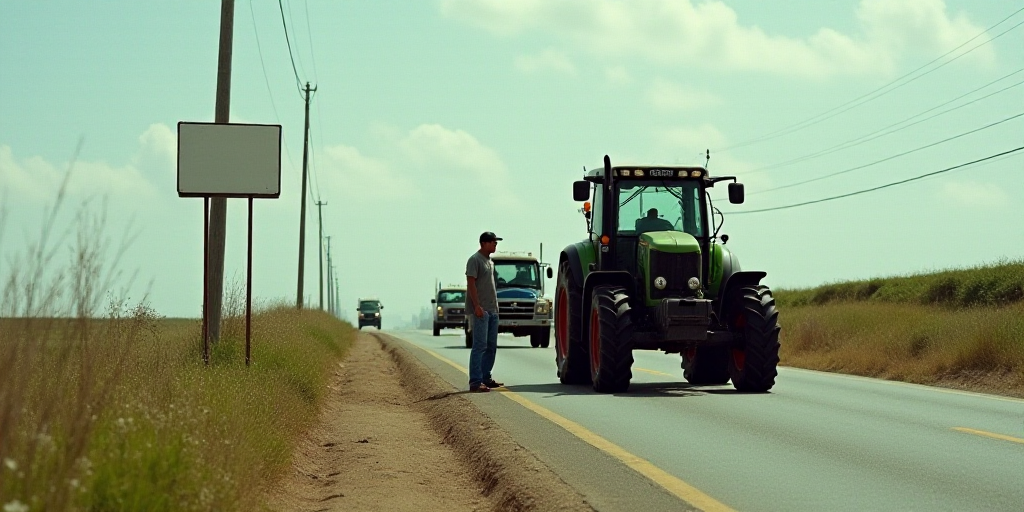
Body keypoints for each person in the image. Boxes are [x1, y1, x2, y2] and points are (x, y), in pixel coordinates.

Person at [466, 231, 504, 392]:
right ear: (483, 243)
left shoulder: (490, 262)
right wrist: (477, 306)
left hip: (492, 310)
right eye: (493, 242)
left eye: (496, 242)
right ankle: (475, 381)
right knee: (479, 346)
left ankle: (486, 377)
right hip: (481, 310)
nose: (495, 244)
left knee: (491, 346)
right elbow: (471, 284)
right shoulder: (475, 260)